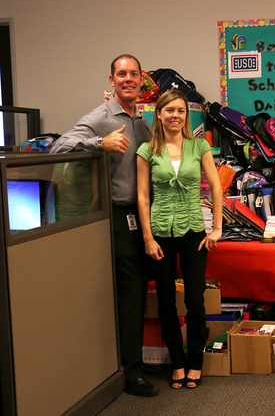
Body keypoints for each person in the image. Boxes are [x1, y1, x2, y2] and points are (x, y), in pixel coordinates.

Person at [50, 54, 159, 397]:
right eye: (121, 74)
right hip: (115, 218)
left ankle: (128, 365)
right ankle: (130, 373)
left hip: (141, 218)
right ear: (111, 81)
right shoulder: (100, 118)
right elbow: (58, 147)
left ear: (141, 81)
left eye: (134, 74)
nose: (128, 79)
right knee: (129, 295)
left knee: (136, 293)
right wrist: (101, 143)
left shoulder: (141, 122)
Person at [136, 90, 223, 390]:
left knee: (195, 300)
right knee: (165, 302)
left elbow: (216, 187)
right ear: (158, 114)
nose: (176, 115)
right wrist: (147, 238)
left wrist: (217, 228)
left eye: (181, 111)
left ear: (187, 116)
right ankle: (177, 362)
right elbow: (143, 196)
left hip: (193, 232)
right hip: (160, 233)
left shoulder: (199, 146)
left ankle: (195, 362)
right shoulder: (147, 150)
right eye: (170, 110)